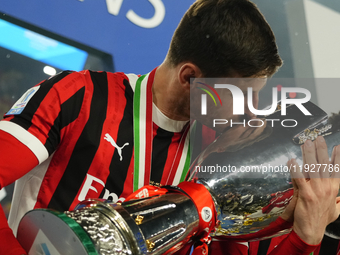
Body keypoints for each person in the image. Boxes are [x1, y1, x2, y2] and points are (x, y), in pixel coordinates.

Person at [0, 0, 339, 254]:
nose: (250, 113)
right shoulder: (78, 96)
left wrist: (306, 236)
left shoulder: (220, 155)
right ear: (191, 78)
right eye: (240, 96)